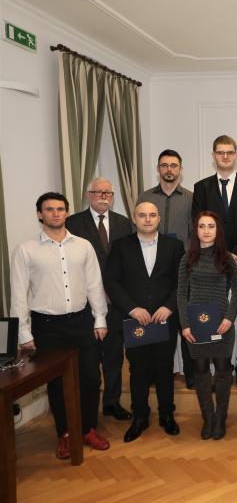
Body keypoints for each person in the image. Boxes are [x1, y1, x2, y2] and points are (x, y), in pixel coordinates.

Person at [11, 192, 110, 459]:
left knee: (91, 378)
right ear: (39, 214)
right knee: (56, 383)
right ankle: (65, 434)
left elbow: (94, 285)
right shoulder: (25, 250)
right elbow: (18, 295)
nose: (55, 213)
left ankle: (87, 429)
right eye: (49, 209)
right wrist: (23, 333)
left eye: (60, 209)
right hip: (47, 327)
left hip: (81, 321)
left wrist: (100, 318)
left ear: (67, 212)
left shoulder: (83, 246)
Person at [105, 202, 185, 442]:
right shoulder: (120, 246)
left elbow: (181, 281)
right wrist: (132, 308)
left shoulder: (174, 245)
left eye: (152, 215)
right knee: (138, 369)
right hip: (135, 321)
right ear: (134, 218)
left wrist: (169, 307)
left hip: (164, 319)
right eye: (142, 215)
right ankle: (140, 416)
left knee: (164, 368)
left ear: (159, 218)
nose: (147, 219)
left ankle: (167, 414)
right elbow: (111, 281)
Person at [192, 135, 237, 392]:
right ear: (213, 156)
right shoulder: (201, 187)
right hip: (212, 264)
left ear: (236, 155)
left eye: (229, 152)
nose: (225, 156)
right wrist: (221, 252)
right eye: (220, 152)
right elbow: (199, 223)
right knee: (215, 317)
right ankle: (219, 371)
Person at [66, 177, 133, 420]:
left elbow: (128, 260)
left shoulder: (124, 223)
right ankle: (87, 408)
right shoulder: (72, 223)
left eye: (108, 193)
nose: (104, 196)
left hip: (115, 303)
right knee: (88, 359)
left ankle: (112, 403)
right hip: (85, 304)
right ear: (89, 195)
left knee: (114, 357)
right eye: (98, 192)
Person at [177, 211, 237, 440]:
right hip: (196, 325)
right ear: (195, 230)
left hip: (222, 323)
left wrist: (229, 318)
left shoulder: (227, 258)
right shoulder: (187, 258)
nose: (206, 231)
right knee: (201, 370)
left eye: (211, 226)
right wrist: (185, 325)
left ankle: (220, 418)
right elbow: (181, 294)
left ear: (218, 230)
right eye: (201, 226)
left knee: (223, 370)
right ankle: (208, 418)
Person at [139, 149, 195, 389]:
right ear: (158, 169)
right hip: (153, 270)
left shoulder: (191, 198)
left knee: (186, 320)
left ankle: (192, 374)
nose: (169, 169)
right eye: (164, 165)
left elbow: (195, 232)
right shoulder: (145, 197)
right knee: (155, 320)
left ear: (180, 169)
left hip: (184, 267)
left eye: (174, 165)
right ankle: (156, 373)